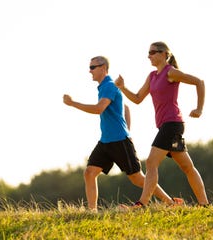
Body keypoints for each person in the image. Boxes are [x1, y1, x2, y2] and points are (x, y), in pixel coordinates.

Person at [63, 56, 183, 211]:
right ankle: (92, 212)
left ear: (103, 67)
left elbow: (99, 109)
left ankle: (169, 202)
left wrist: (73, 103)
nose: (89, 70)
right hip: (106, 141)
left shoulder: (109, 86)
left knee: (137, 178)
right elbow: (125, 107)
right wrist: (128, 129)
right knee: (89, 172)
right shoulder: (104, 87)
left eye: (93, 67)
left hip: (120, 140)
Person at [115, 41, 209, 207]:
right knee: (187, 166)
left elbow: (199, 82)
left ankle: (142, 204)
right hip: (167, 125)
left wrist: (199, 109)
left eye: (153, 52)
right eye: (148, 52)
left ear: (165, 54)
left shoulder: (170, 73)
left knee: (151, 162)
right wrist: (122, 87)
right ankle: (204, 204)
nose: (149, 55)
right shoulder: (152, 76)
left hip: (172, 123)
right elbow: (137, 99)